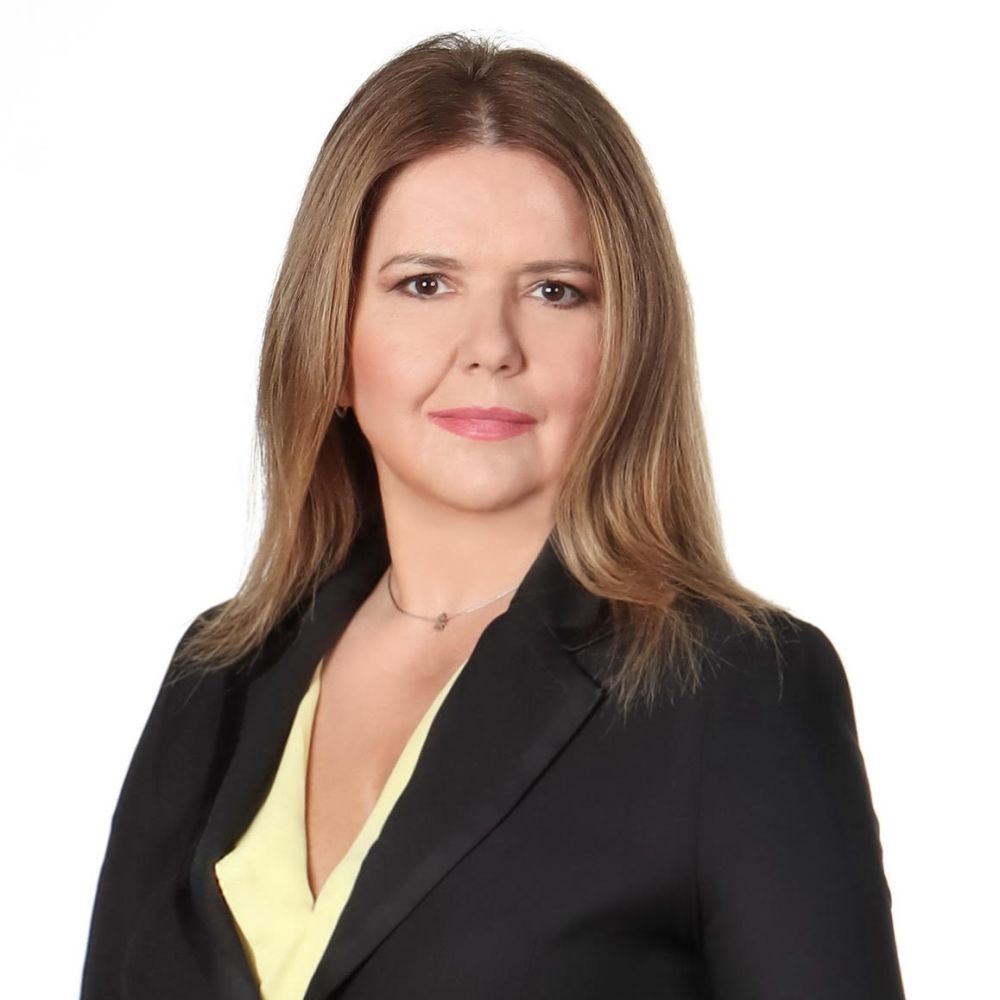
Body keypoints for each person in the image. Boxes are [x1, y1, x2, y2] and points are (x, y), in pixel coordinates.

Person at [79, 30, 907, 1000]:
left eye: (555, 291)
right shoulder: (217, 675)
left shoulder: (734, 691)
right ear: (332, 336)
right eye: (425, 284)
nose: (491, 345)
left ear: (627, 343)